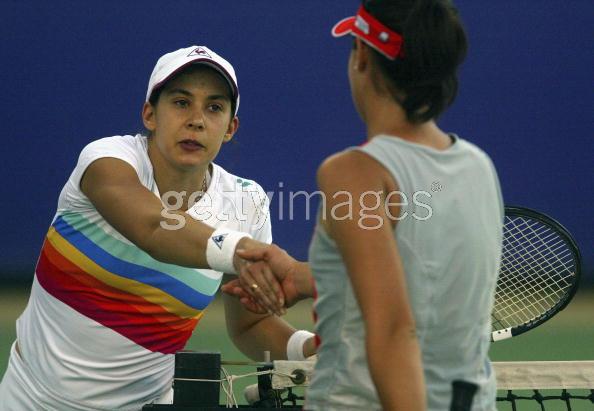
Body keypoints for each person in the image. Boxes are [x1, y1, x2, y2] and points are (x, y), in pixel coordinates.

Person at [0, 45, 315, 411]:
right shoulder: (107, 160)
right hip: (31, 401)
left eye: (214, 107)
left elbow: (250, 325)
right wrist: (244, 252)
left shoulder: (247, 202)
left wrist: (307, 349)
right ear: (150, 114)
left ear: (230, 128)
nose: (197, 120)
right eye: (181, 103)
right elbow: (153, 226)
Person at [223, 1, 504, 410]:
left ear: (363, 58)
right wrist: (306, 278)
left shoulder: (354, 173)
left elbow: (393, 328)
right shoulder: (479, 166)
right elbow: (422, 280)